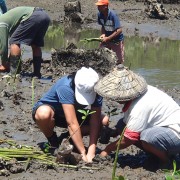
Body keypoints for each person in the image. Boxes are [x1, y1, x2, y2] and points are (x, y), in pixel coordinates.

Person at [94, 64, 180, 167]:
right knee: (122, 125)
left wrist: (108, 149)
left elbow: (129, 139)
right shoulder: (140, 93)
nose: (114, 99)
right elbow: (125, 125)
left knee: (147, 137)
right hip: (163, 127)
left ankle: (166, 161)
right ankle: (155, 153)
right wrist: (113, 132)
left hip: (175, 134)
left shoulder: (139, 107)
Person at [32, 67, 109, 162]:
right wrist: (82, 153)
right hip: (55, 114)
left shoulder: (97, 89)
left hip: (75, 114)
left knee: (104, 120)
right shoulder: (66, 86)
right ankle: (53, 140)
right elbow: (71, 123)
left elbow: (95, 120)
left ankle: (67, 137)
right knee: (43, 114)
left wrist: (91, 152)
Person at [0, 6, 50, 77]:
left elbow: (4, 47)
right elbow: (18, 45)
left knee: (13, 42)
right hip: (44, 16)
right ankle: (37, 74)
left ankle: (14, 74)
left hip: (33, 16)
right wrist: (10, 59)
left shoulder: (1, 23)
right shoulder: (10, 21)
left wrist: (4, 64)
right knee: (35, 44)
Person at [95, 0, 124, 64]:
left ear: (105, 6)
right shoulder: (100, 14)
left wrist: (108, 38)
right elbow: (103, 26)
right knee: (100, 55)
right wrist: (103, 34)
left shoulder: (113, 15)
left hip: (116, 40)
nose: (98, 7)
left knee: (119, 61)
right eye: (98, 6)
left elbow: (119, 30)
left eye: (100, 6)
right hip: (106, 39)